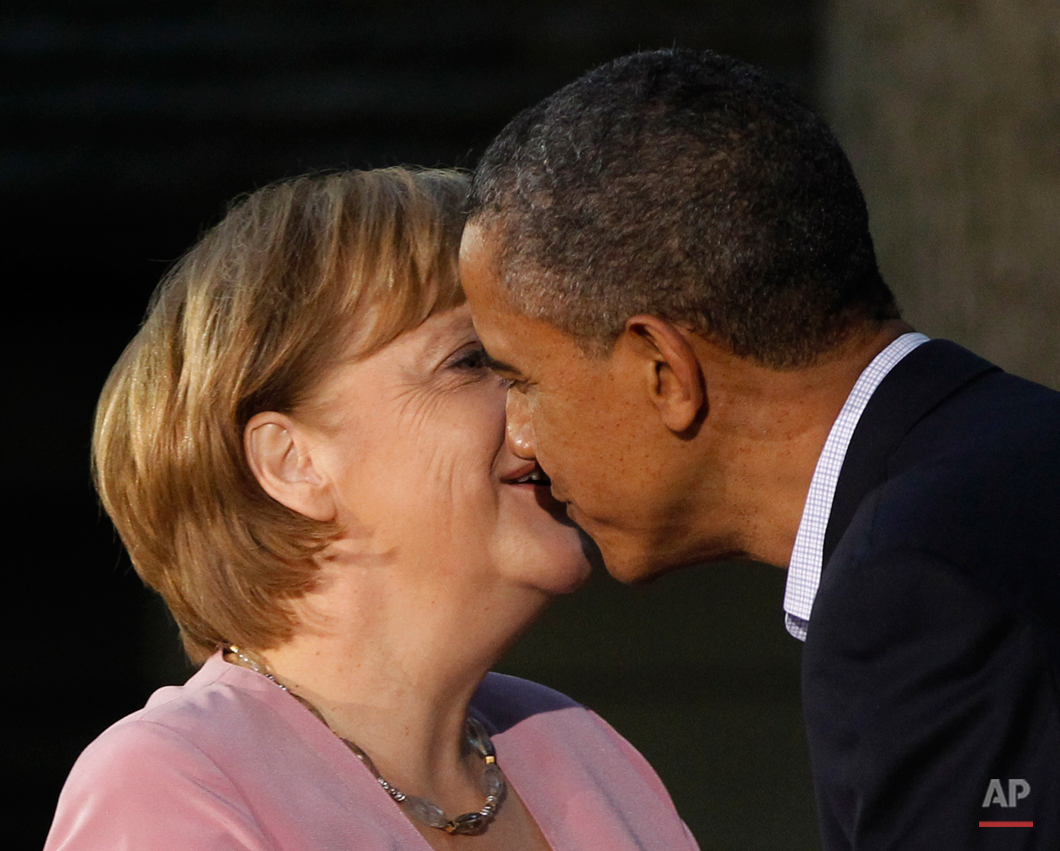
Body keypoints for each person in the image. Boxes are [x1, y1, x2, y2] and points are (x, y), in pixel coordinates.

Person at [460, 48, 1060, 849]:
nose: (520, 440)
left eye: (521, 378)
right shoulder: (1011, 462)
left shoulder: (913, 588)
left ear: (663, 370)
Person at [45, 168, 699, 851]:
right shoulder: (174, 784)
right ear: (293, 463)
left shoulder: (580, 748)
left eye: (529, 361)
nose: (542, 410)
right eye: (473, 360)